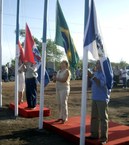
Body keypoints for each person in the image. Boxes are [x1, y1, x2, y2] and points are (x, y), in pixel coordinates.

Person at [86, 60, 110, 145]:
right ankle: (94, 134)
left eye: (99, 63)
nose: (97, 65)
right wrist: (88, 76)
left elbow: (101, 84)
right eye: (96, 63)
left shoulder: (105, 74)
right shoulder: (96, 73)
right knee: (94, 117)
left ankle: (104, 138)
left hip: (102, 98)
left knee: (103, 119)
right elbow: (91, 84)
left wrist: (92, 76)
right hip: (95, 97)